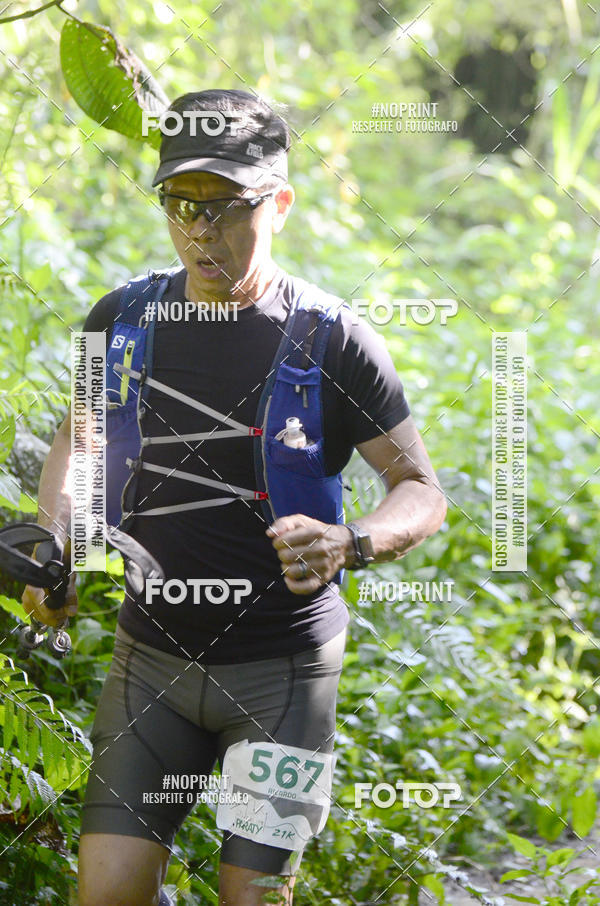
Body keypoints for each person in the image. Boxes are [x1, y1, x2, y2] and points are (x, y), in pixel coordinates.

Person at [22, 89, 447, 906]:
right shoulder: (120, 319)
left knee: (253, 896)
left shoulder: (333, 338)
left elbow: (420, 489)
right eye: (181, 204)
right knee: (104, 895)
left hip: (284, 676)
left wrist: (351, 543)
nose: (200, 230)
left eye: (226, 206)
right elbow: (78, 443)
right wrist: (58, 545)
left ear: (279, 203)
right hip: (149, 665)